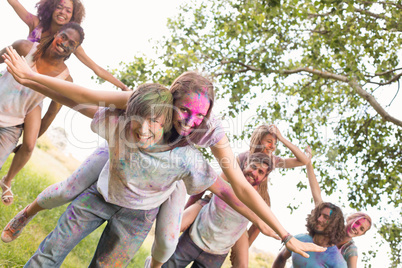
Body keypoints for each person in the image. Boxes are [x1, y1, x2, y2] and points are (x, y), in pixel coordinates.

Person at [3, 51, 326, 264]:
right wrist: (29, 78)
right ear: (170, 101)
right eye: (184, 110)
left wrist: (283, 233)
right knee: (66, 190)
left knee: (167, 240)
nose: (191, 119)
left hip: (156, 192)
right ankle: (27, 213)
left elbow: (237, 187)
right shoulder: (145, 102)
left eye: (200, 115)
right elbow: (85, 96)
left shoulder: (204, 135)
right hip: (117, 168)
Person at [183, 124, 310, 267]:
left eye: (275, 143)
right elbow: (219, 183)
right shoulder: (244, 157)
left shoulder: (272, 161)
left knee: (242, 263)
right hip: (222, 204)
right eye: (269, 141)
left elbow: (303, 161)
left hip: (244, 216)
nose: (272, 146)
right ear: (258, 140)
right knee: (183, 221)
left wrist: (281, 138)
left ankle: (235, 249)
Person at [0, 22, 85, 206]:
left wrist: (25, 144)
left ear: (74, 49)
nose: (65, 43)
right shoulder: (24, 47)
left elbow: (50, 114)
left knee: (29, 147)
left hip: (11, 126)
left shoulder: (65, 80)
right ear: (56, 34)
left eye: (72, 43)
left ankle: (7, 180)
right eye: (64, 36)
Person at [162, 152, 276, 268]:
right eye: (253, 167)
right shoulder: (226, 180)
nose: (254, 173)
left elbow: (257, 227)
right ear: (246, 164)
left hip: (215, 255)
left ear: (264, 178)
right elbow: (203, 186)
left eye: (260, 172)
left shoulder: (259, 203)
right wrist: (189, 207)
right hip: (193, 239)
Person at [7, 0, 128, 90]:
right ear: (51, 8)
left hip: (33, 89)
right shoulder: (36, 24)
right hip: (12, 78)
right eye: (59, 7)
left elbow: (96, 68)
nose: (62, 12)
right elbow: (14, 3)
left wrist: (123, 87)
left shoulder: (70, 43)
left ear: (72, 16)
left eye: (68, 11)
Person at [304, 147, 372, 267]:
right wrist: (308, 163)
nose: (357, 228)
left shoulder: (351, 250)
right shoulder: (332, 224)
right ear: (349, 219)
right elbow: (317, 195)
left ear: (362, 234)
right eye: (357, 223)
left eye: (362, 229)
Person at [272, 202, 347, 268]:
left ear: (335, 223)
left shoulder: (337, 261)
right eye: (319, 215)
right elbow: (281, 257)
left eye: (325, 217)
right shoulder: (300, 239)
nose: (319, 219)